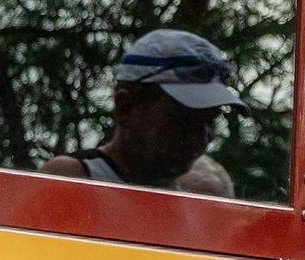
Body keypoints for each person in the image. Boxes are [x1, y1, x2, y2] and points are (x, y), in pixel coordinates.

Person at [39, 28, 246, 194]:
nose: (201, 138)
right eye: (183, 120)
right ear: (126, 108)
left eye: (210, 120)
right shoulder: (73, 178)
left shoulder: (190, 199)